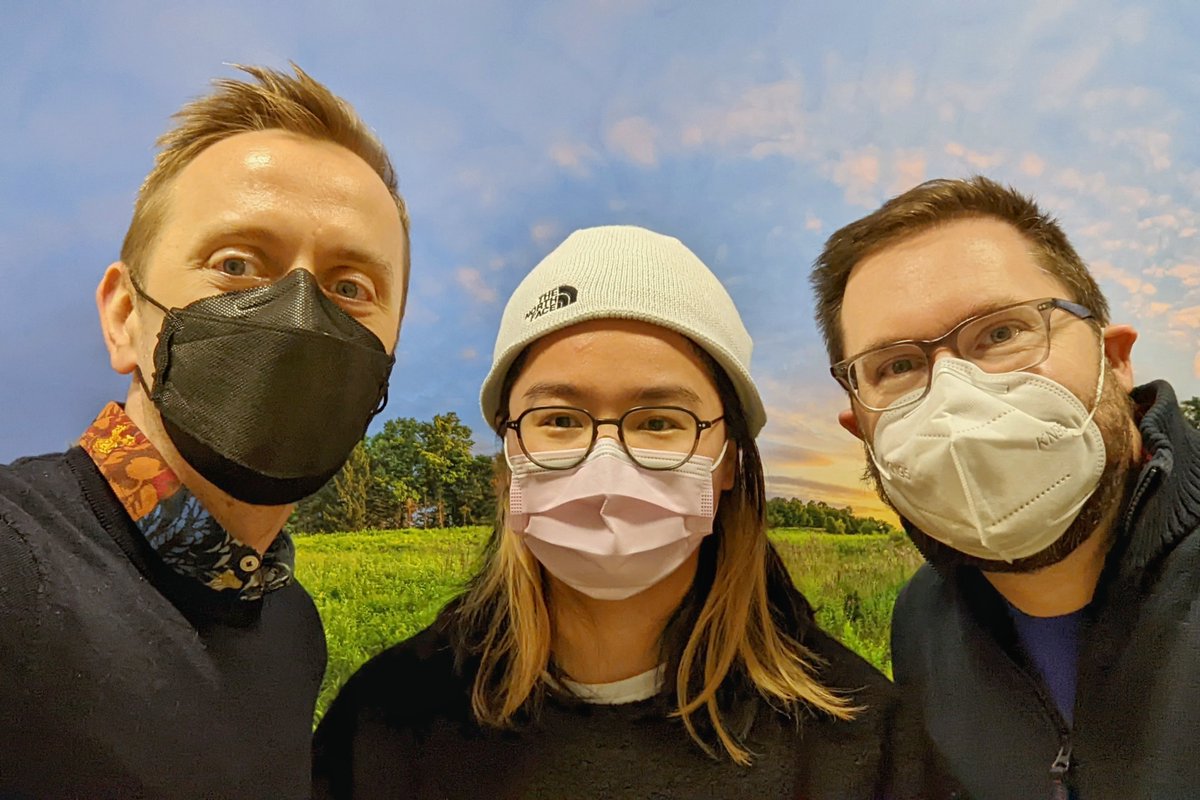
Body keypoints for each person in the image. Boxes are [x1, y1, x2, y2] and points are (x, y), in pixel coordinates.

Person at [313, 225, 897, 799]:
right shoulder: (383, 727)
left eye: (660, 422)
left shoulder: (861, 743)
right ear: (509, 458)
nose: (607, 467)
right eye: (561, 420)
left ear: (728, 463)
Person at [0, 64, 410, 797]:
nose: (296, 314)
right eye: (236, 264)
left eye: (350, 288)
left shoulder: (289, 626)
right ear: (126, 315)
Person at [810, 175, 1200, 798]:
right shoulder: (919, 624)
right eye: (897, 367)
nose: (954, 397)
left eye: (1000, 333)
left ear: (1116, 359)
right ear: (862, 431)